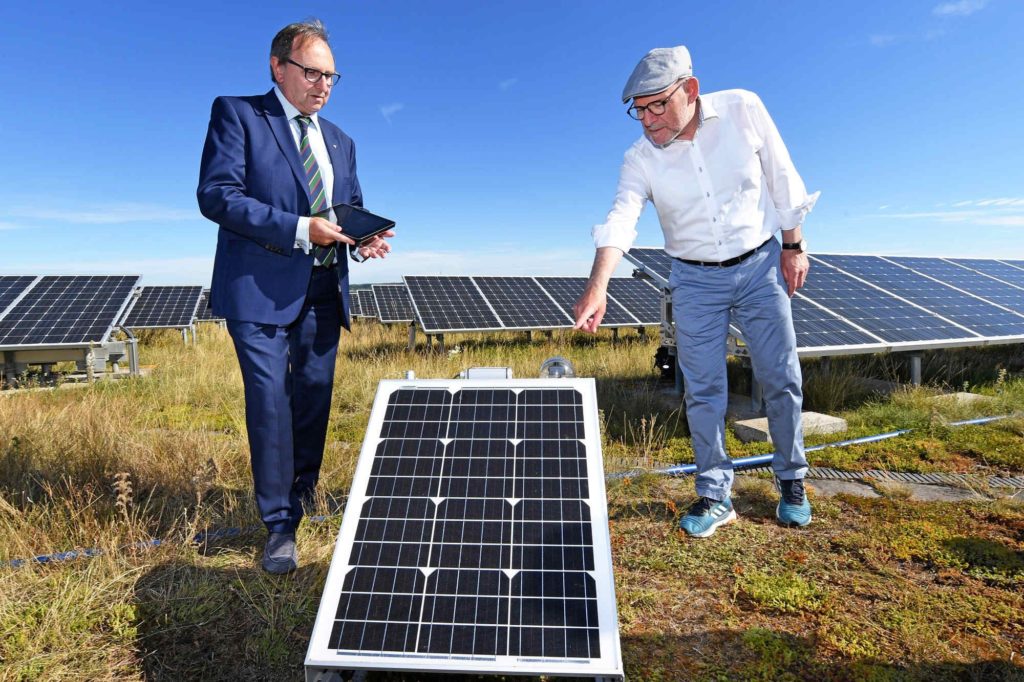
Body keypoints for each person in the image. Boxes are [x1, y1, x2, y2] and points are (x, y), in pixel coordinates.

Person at [573, 46, 818, 538]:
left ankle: (791, 480)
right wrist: (598, 285)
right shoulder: (639, 159)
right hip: (693, 279)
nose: (647, 120)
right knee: (704, 389)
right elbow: (621, 218)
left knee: (779, 377)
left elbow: (782, 175)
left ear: (691, 90)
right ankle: (714, 493)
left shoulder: (743, 109)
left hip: (760, 265)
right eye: (638, 110)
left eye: (657, 105)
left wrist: (794, 245)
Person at [197, 19, 392, 573]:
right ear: (278, 66)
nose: (323, 84)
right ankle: (279, 524)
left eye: (331, 76)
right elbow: (217, 196)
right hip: (257, 290)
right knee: (270, 403)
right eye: (312, 72)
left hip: (324, 288)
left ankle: (304, 494)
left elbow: (347, 209)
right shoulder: (238, 114)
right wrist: (302, 228)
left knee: (312, 398)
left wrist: (365, 237)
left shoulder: (341, 141)